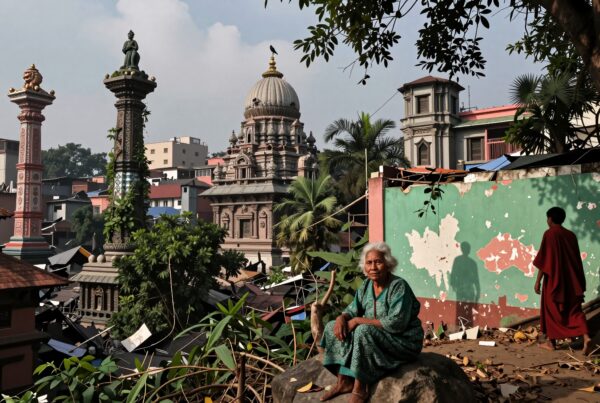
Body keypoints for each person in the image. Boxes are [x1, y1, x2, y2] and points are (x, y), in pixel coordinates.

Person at [320, 242, 423, 403]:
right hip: (378, 337)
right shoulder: (366, 285)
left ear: (388, 264)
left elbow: (397, 323)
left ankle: (360, 388)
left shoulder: (398, 286)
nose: (373, 267)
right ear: (364, 266)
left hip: (403, 340)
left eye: (378, 262)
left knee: (362, 330)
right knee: (332, 326)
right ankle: (344, 381)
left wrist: (358, 320)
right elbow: (353, 309)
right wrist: (342, 318)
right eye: (369, 263)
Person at [533, 207, 591, 354]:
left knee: (550, 311)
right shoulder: (571, 235)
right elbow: (576, 260)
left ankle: (552, 344)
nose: (547, 221)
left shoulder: (549, 234)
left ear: (550, 219)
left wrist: (537, 281)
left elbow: (544, 261)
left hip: (555, 281)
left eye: (547, 218)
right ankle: (585, 337)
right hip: (572, 281)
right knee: (575, 311)